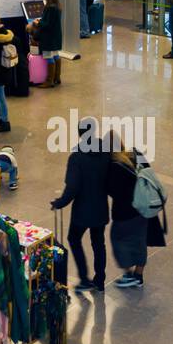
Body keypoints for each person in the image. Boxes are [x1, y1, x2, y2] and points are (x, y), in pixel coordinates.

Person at [51, 117, 111, 291]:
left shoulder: (77, 158)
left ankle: (84, 278)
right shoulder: (105, 153)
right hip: (101, 208)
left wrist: (59, 203)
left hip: (83, 212)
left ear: (80, 134)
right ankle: (100, 280)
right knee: (98, 243)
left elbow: (72, 188)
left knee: (73, 238)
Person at [106, 136, 165, 289]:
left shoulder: (113, 166)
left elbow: (112, 191)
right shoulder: (135, 153)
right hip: (143, 209)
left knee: (117, 239)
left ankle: (128, 274)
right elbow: (148, 172)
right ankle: (138, 275)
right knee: (139, 242)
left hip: (124, 213)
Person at [33, 0, 64, 87]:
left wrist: (38, 23)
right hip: (55, 36)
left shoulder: (50, 7)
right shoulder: (57, 6)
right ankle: (57, 77)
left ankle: (49, 81)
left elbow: (47, 24)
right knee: (55, 55)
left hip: (48, 37)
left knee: (48, 56)